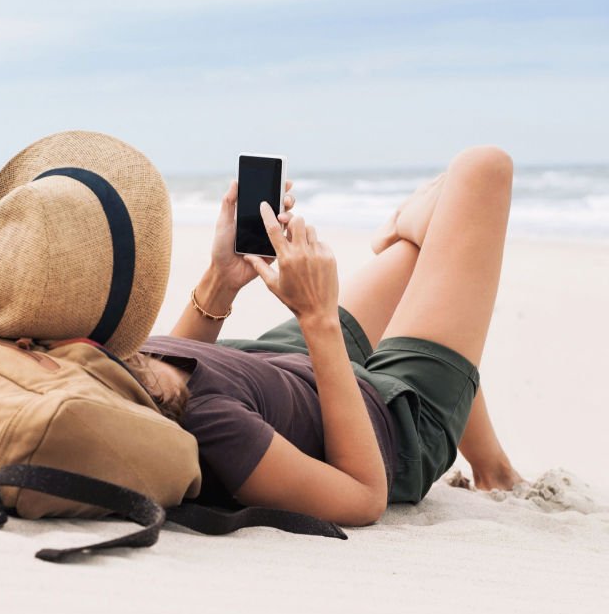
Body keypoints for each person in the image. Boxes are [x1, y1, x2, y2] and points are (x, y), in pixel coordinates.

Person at [126, 145, 524, 526]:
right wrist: (317, 318)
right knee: (483, 170)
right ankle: (495, 471)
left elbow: (164, 379)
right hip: (383, 419)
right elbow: (364, 496)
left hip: (268, 363)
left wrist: (220, 280)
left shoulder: (90, 358)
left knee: (438, 230)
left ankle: (494, 469)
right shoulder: (214, 423)